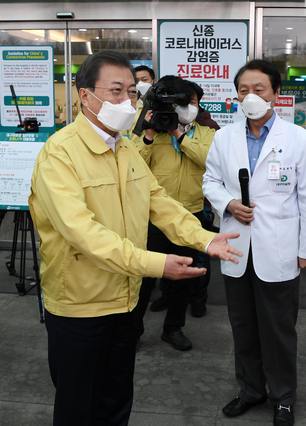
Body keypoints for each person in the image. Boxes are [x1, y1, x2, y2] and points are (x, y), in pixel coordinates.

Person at [28, 50, 240, 426]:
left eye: (131, 91)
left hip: (124, 301)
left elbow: (158, 201)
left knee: (115, 400)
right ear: (84, 96)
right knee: (79, 407)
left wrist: (204, 239)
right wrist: (157, 264)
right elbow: (84, 234)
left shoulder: (125, 146)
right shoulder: (59, 155)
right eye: (114, 91)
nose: (126, 101)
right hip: (80, 306)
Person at [203, 59, 306, 426]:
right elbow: (210, 182)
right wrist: (229, 204)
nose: (250, 96)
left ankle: (283, 396)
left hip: (280, 248)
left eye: (259, 89)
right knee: (243, 327)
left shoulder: (298, 138)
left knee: (279, 330)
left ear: (276, 94)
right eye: (243, 90)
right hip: (237, 246)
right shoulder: (224, 136)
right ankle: (251, 389)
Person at [132, 76, 215, 350]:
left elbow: (209, 160)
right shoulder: (152, 132)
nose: (187, 107)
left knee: (184, 279)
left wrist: (180, 135)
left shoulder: (208, 134)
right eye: (182, 103)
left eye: (192, 102)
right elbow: (133, 167)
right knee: (145, 277)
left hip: (191, 216)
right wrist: (149, 135)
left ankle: (173, 328)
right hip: (154, 217)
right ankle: (133, 330)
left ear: (199, 105)